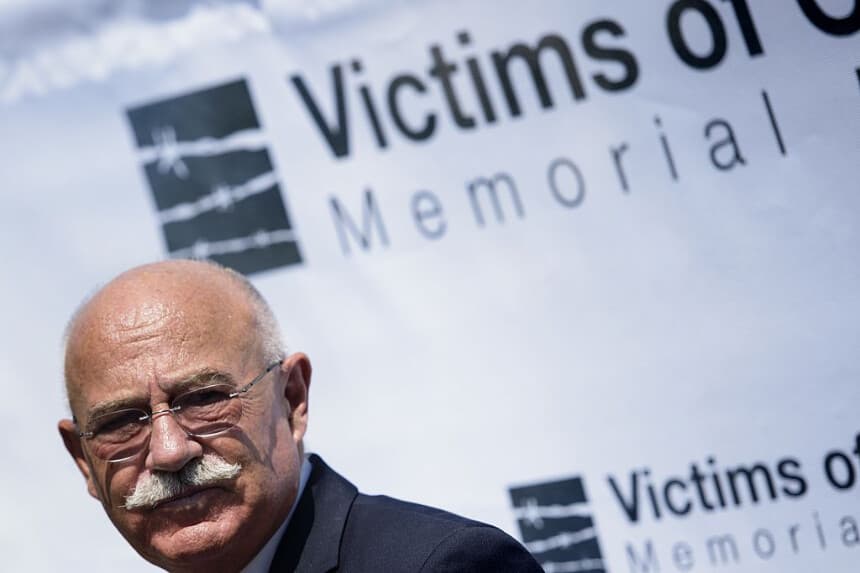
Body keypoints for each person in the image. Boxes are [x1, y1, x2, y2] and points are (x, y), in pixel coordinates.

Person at [58, 260, 542, 572]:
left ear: (292, 398)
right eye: (122, 422)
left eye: (204, 399)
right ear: (84, 462)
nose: (168, 451)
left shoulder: (444, 566)